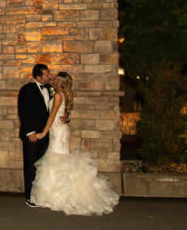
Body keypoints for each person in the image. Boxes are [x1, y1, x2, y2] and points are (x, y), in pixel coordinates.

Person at [30, 72, 119, 216]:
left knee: (56, 159)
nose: (53, 80)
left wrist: (43, 132)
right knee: (57, 159)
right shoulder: (61, 93)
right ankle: (55, 193)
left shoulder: (59, 95)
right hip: (59, 130)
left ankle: (60, 195)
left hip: (57, 131)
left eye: (57, 80)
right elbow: (61, 113)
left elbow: (53, 116)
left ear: (61, 83)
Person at [17, 64, 55, 207]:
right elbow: (23, 112)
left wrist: (67, 116)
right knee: (31, 165)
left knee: (44, 165)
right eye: (46, 74)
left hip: (47, 133)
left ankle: (42, 194)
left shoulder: (51, 89)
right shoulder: (26, 90)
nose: (49, 76)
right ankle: (30, 196)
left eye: (49, 73)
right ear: (38, 77)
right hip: (32, 135)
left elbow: (58, 107)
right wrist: (30, 132)